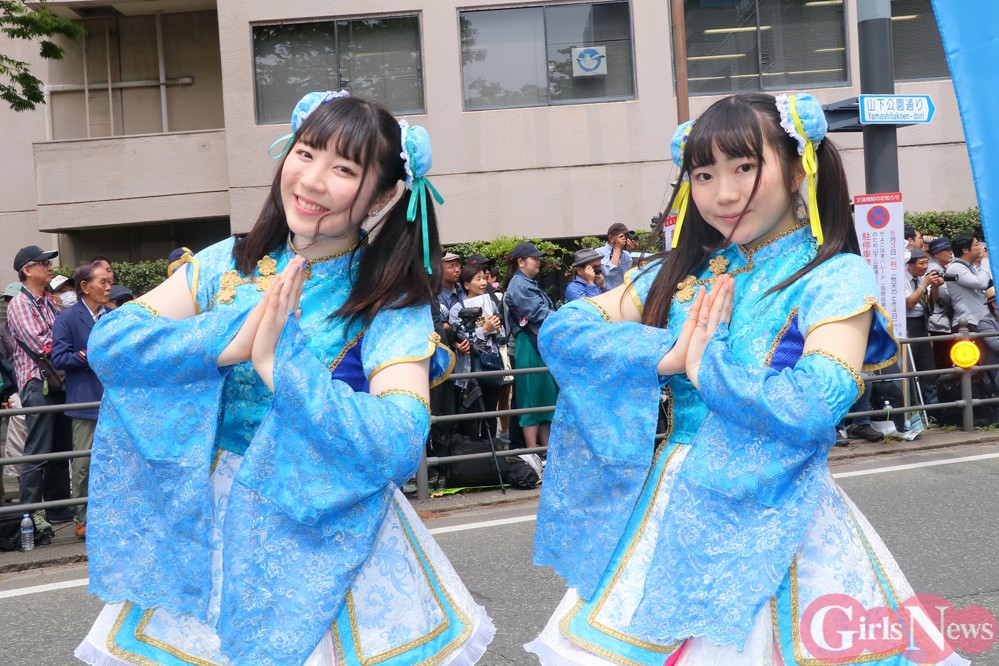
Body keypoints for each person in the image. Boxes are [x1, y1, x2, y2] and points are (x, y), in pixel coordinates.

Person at [527, 93, 967, 664]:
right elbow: (563, 330)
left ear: (798, 168)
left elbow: (816, 402)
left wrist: (706, 368)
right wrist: (665, 353)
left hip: (783, 510)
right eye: (704, 175)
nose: (724, 194)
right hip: (671, 508)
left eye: (744, 168)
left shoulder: (834, 275)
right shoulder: (681, 272)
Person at [76, 92, 492, 665]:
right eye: (306, 153)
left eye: (344, 169)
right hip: (211, 520)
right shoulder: (228, 262)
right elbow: (112, 342)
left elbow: (400, 436)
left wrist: (280, 367)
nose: (312, 180)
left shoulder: (389, 297)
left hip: (321, 523)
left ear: (384, 195)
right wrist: (231, 341)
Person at [7, 245, 74, 539]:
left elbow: (63, 335)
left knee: (61, 447)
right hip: (37, 382)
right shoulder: (20, 304)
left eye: (49, 263)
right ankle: (30, 513)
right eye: (43, 263)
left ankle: (59, 507)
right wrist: (68, 342)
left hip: (57, 380)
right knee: (38, 450)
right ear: (27, 270)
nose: (50, 267)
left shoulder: (48, 300)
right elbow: (43, 344)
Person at [51, 261, 112, 540]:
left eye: (109, 281)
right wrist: (90, 354)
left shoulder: (113, 315)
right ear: (85, 287)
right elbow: (59, 358)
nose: (108, 287)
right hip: (84, 398)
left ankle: (111, 513)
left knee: (113, 458)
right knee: (84, 462)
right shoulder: (67, 318)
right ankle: (82, 517)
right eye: (102, 282)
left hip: (113, 397)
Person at [503, 241, 557, 449]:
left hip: (537, 343)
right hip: (528, 344)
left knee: (544, 398)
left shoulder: (525, 283)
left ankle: (545, 452)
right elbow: (537, 313)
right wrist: (563, 316)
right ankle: (533, 451)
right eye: (535, 258)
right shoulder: (519, 284)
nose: (538, 262)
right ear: (521, 262)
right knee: (531, 399)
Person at [449, 263, 505, 436]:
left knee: (490, 413)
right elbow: (459, 338)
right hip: (468, 369)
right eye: (478, 279)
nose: (483, 283)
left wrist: (497, 329)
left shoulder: (491, 304)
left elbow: (501, 336)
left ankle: (490, 445)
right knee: (470, 416)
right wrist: (484, 330)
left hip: (491, 365)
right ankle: (472, 448)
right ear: (466, 285)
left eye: (484, 278)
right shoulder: (457, 309)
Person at [904, 248, 943, 404]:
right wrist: (924, 284)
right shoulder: (901, 278)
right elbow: (910, 303)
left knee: (927, 364)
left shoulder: (921, 278)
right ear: (910, 264)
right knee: (910, 364)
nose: (925, 267)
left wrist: (935, 287)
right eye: (921, 263)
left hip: (922, 322)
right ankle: (911, 403)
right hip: (907, 324)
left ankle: (931, 404)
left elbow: (932, 302)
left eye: (927, 262)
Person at [945, 232, 989, 331]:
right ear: (965, 249)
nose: (980, 248)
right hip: (967, 323)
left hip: (978, 321)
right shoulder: (955, 268)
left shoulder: (970, 267)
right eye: (976, 244)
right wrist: (985, 260)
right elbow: (981, 283)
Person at [926, 236, 955, 369]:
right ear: (936, 253)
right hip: (938, 320)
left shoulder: (940, 267)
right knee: (944, 360)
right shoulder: (934, 269)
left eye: (950, 249)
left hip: (939, 320)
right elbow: (943, 296)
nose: (950, 252)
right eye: (946, 250)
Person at [594, 222, 637, 289]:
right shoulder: (599, 252)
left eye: (626, 236)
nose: (625, 239)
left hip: (625, 291)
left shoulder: (626, 254)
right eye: (622, 236)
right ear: (611, 238)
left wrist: (634, 252)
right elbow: (610, 272)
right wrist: (618, 248)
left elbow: (632, 275)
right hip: (609, 292)